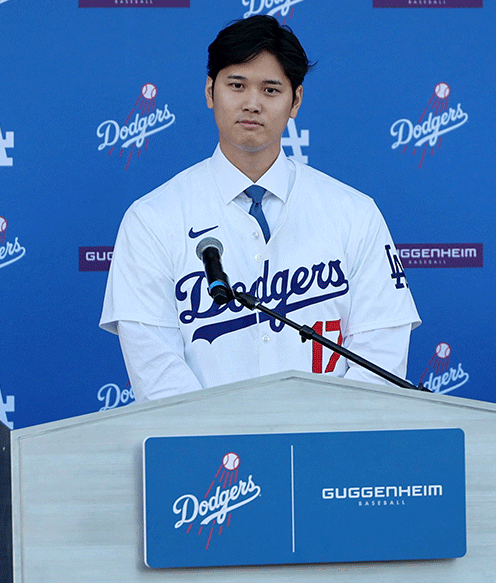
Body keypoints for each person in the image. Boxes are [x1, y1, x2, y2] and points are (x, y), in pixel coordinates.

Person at [100, 16, 419, 402]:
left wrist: (319, 442)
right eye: (236, 85)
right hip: (203, 454)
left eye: (271, 90)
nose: (252, 103)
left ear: (295, 100)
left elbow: (380, 356)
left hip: (332, 452)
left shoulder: (355, 213)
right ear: (209, 91)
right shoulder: (151, 219)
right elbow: (157, 373)